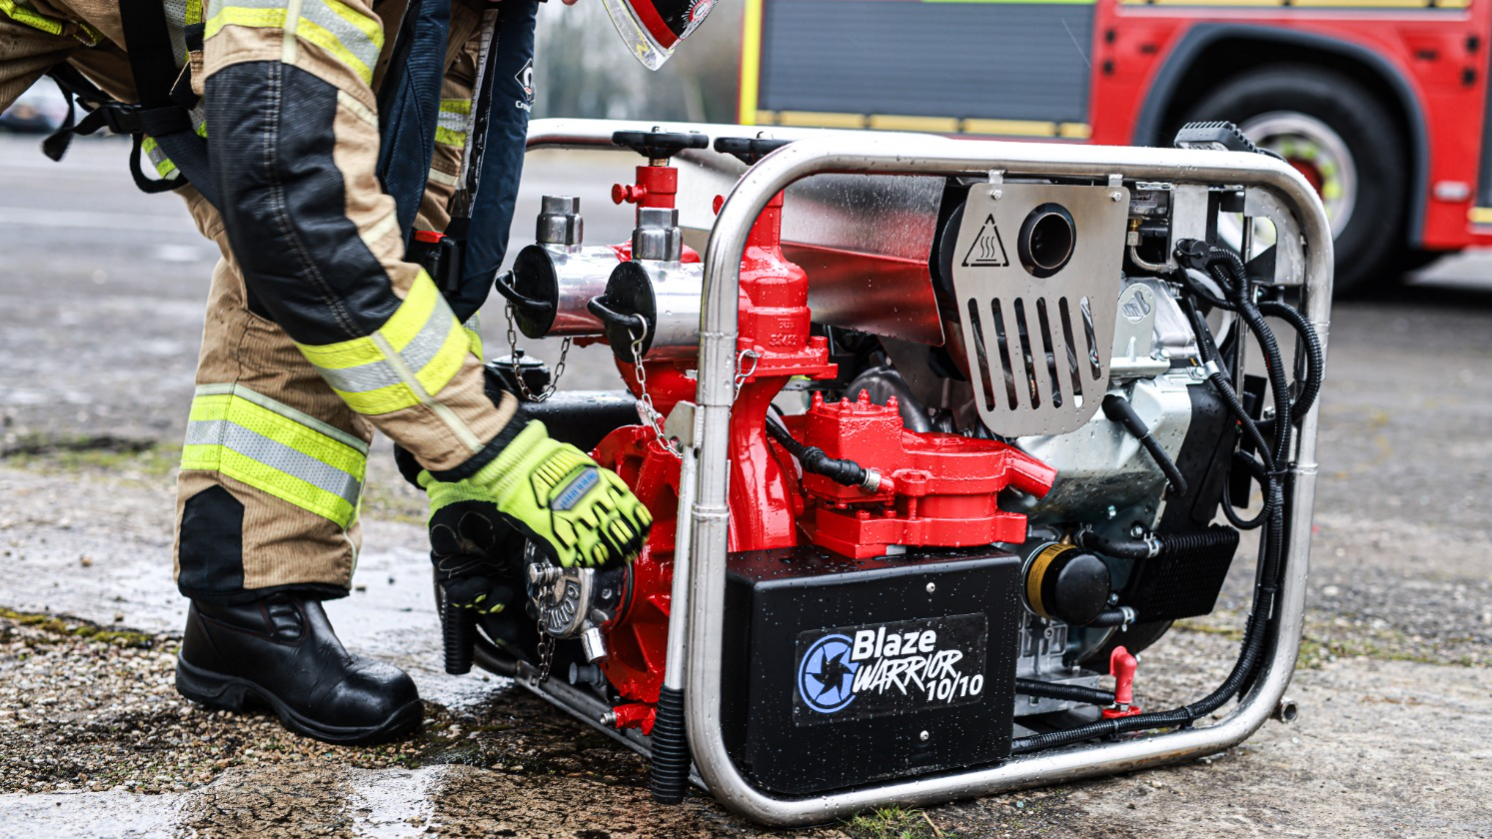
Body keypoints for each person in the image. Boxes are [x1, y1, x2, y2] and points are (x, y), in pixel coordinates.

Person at [0, 0, 719, 744]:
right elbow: (297, 204)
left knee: (316, 286)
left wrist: (452, 470)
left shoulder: (476, 11)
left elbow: (406, 221)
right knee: (307, 253)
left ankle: (247, 608)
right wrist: (496, 452)